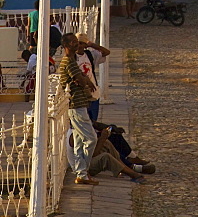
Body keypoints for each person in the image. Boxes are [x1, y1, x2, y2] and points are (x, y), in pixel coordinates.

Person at [58, 32, 98, 185]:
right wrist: (84, 81)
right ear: (67, 45)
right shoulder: (68, 62)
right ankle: (83, 171)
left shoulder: (72, 61)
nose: (77, 44)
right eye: (74, 42)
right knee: (91, 138)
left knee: (80, 140)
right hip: (76, 105)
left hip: (80, 104)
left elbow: (81, 78)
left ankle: (81, 172)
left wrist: (84, 79)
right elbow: (79, 80)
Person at [65, 126, 146, 183]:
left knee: (106, 143)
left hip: (87, 160)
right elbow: (90, 156)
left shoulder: (81, 129)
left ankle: (123, 167)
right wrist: (102, 139)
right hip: (83, 167)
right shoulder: (74, 135)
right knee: (105, 157)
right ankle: (132, 173)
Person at [75, 33, 110, 123]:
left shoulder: (90, 55)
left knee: (93, 120)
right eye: (77, 43)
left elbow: (106, 52)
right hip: (80, 94)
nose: (79, 46)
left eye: (81, 43)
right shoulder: (72, 58)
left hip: (93, 92)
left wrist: (92, 45)